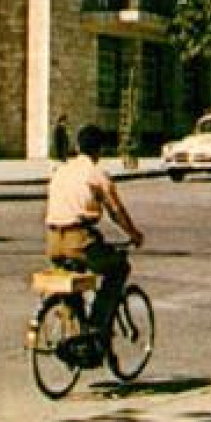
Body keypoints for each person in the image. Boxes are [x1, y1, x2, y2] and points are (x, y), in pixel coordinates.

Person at [44, 125, 145, 347]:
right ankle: (97, 326)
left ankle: (76, 331)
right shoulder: (96, 174)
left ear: (78, 146)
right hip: (79, 240)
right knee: (118, 269)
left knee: (72, 282)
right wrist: (134, 234)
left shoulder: (60, 171)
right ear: (100, 150)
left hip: (53, 241)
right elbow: (116, 212)